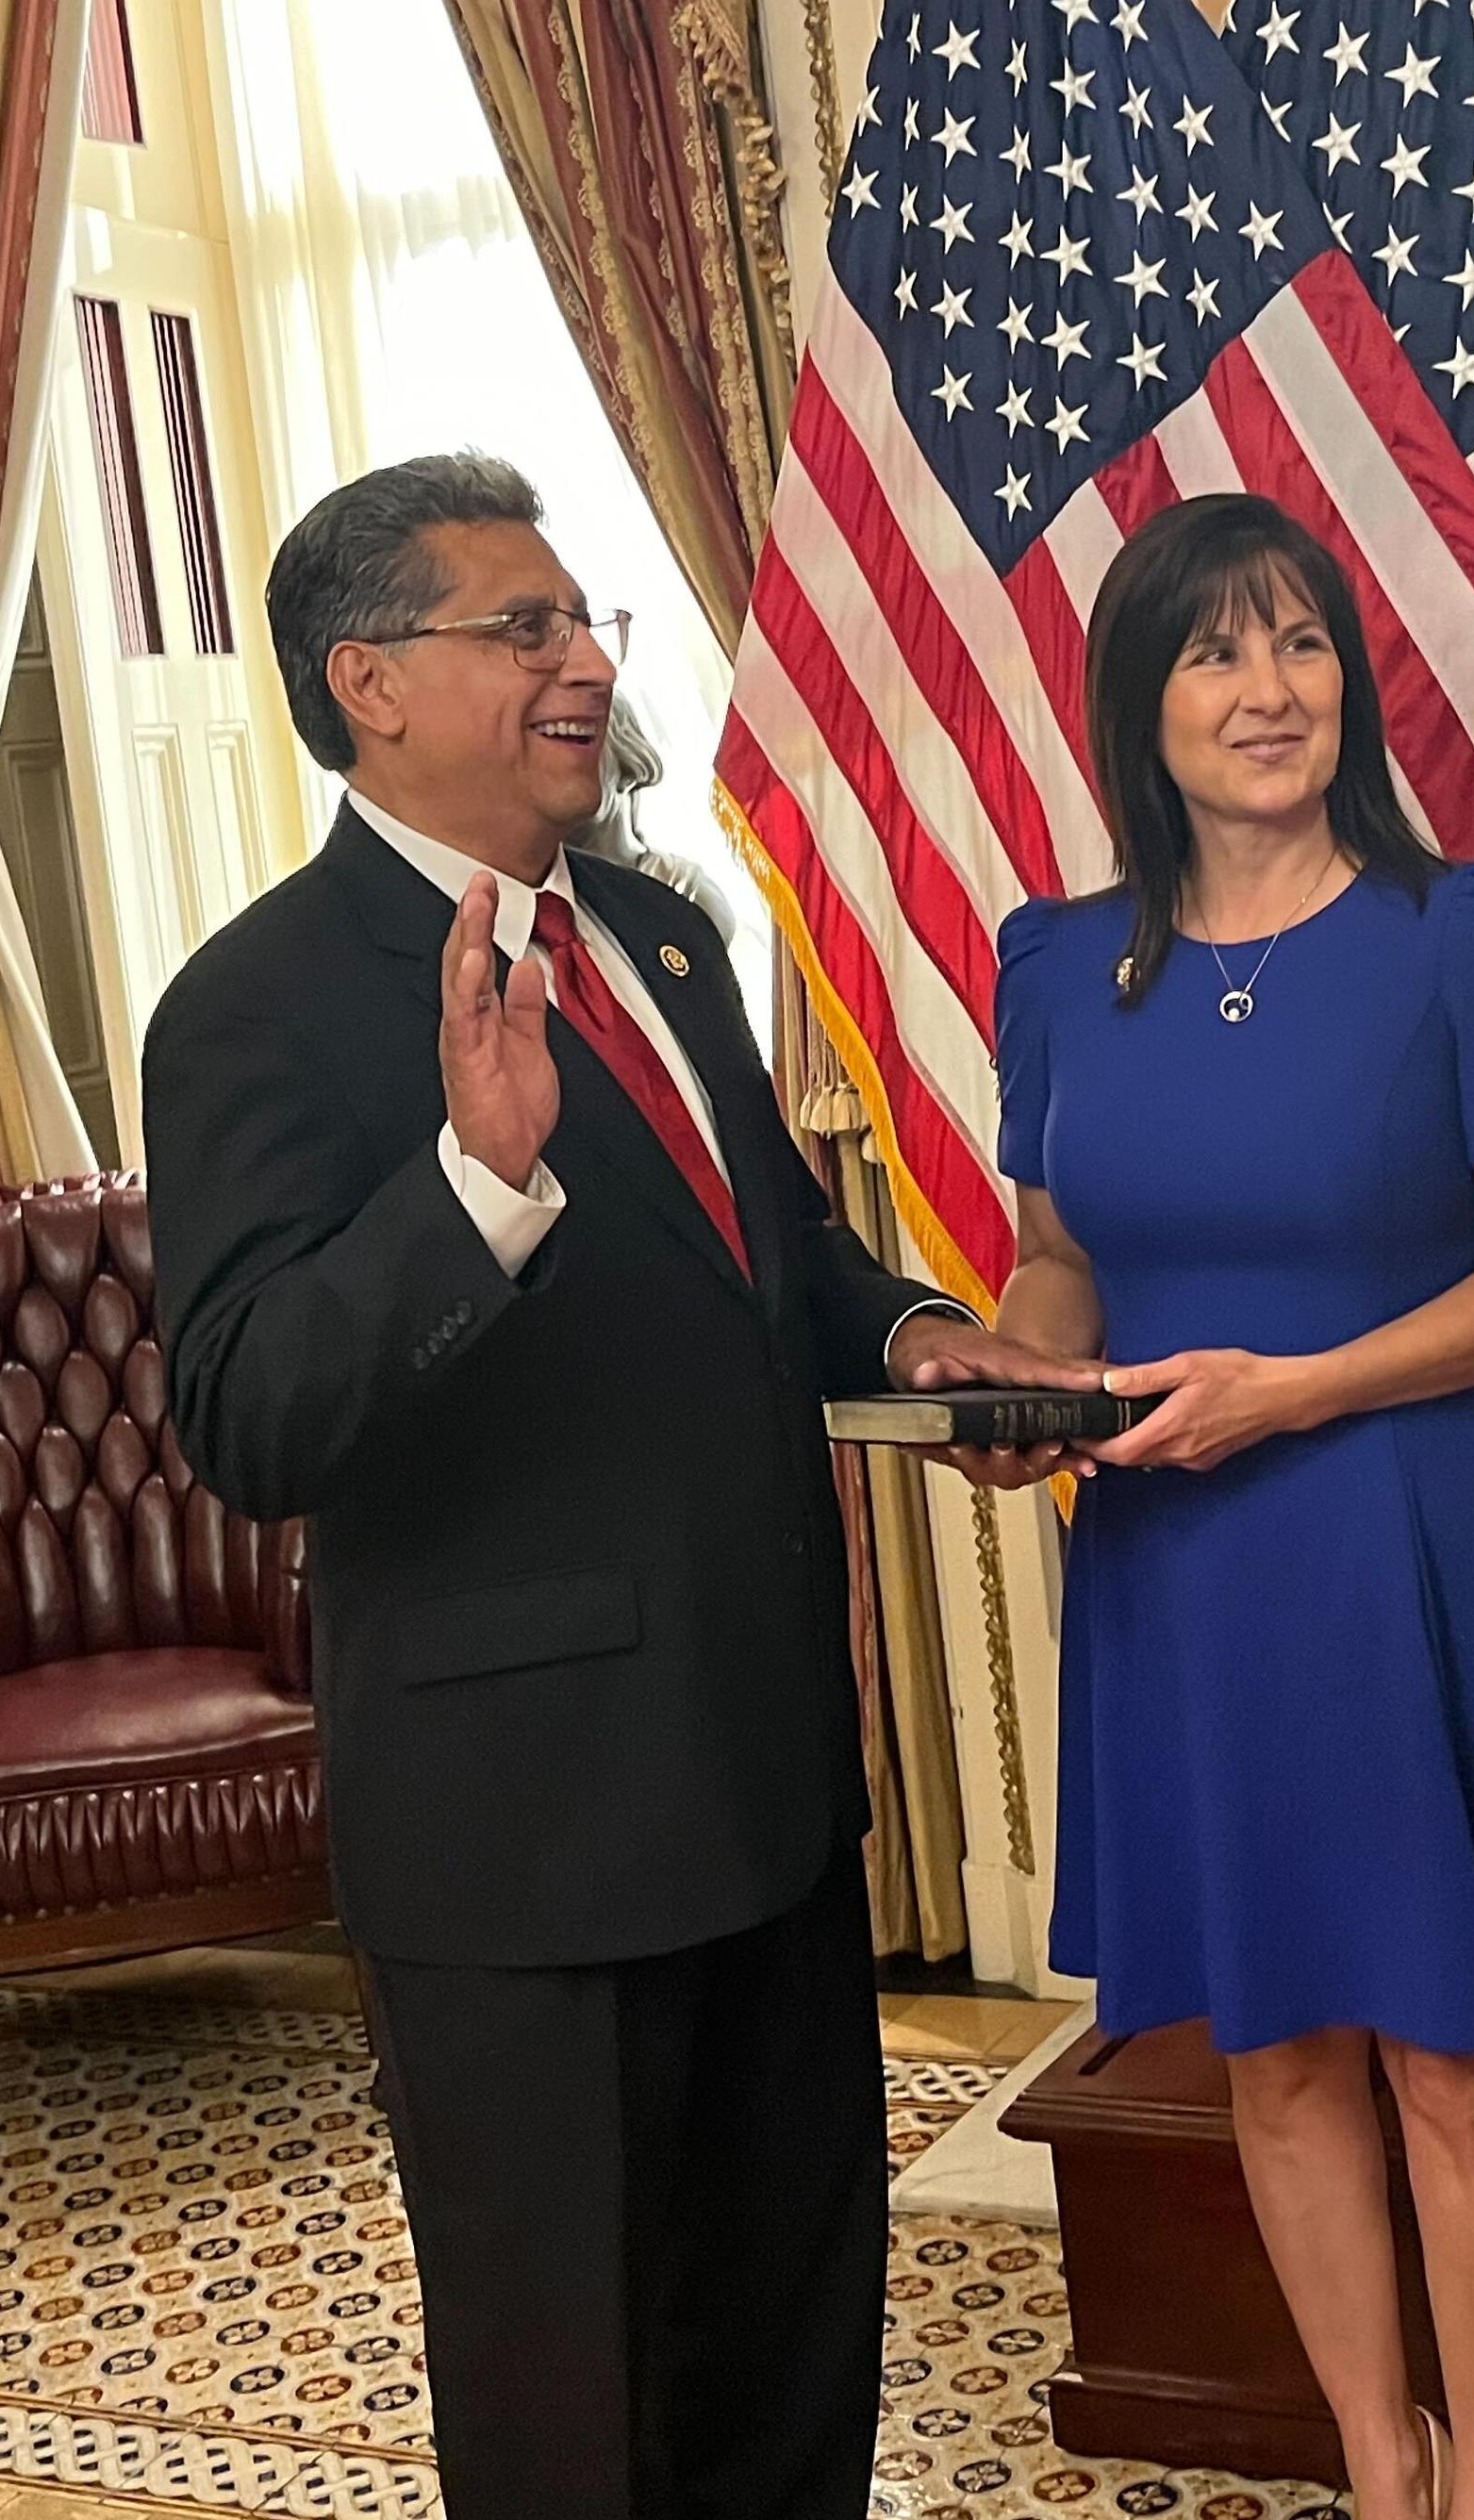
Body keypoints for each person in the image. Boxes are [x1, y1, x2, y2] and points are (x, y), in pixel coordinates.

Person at [142, 453, 1010, 2520]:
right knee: (575, 2423)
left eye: (579, 619)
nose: (579, 662)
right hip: (529, 1845)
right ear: (368, 680)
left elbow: (769, 1262)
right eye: (518, 628)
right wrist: (473, 1183)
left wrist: (906, 1338)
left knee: (792, 2343)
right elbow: (252, 1415)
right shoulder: (254, 1006)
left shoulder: (658, 933)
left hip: (769, 1788)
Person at [923, 493, 1474, 2520]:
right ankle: (1382, 2463)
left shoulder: (1471, 929)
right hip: (1188, 1566)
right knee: (1271, 2049)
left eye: (1299, 644)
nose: (1268, 692)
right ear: (1137, 703)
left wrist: (1296, 1391)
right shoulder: (1062, 965)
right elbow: (1063, 1263)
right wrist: (1024, 1362)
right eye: (1212, 652)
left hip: (1418, 1537)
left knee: (1454, 2051)